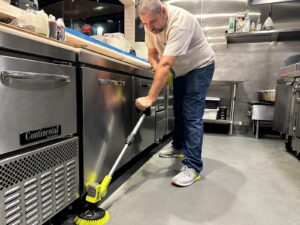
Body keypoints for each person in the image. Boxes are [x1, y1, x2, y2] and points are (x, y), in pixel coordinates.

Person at [135, 0, 215, 187]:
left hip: (200, 67)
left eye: (152, 22)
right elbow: (153, 55)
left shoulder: (181, 21)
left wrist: (151, 97)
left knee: (192, 115)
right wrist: (160, 73)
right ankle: (178, 147)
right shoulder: (150, 24)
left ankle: (193, 166)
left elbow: (166, 63)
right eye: (144, 24)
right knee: (179, 110)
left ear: (163, 11)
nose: (149, 27)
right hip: (180, 70)